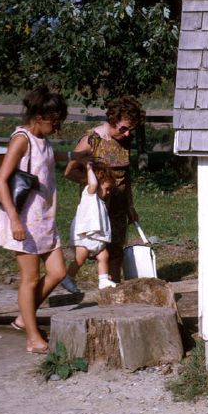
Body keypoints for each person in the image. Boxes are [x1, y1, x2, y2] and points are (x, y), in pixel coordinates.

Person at [0, 85, 89, 354]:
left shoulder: (42, 140)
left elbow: (46, 158)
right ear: (39, 118)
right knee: (31, 279)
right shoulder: (21, 139)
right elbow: (1, 180)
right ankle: (33, 338)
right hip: (23, 219)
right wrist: (14, 220)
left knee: (58, 272)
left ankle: (26, 316)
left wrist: (74, 156)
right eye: (55, 122)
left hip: (44, 218)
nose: (57, 128)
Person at [65, 96, 144, 282]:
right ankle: (74, 279)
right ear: (112, 120)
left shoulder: (125, 141)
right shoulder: (91, 140)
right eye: (123, 128)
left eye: (130, 130)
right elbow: (69, 172)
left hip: (118, 205)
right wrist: (93, 184)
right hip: (96, 206)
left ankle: (114, 291)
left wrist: (130, 206)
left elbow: (127, 176)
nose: (126, 133)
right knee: (95, 250)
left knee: (116, 249)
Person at [60, 161, 118, 293]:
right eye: (107, 189)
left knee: (104, 256)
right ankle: (68, 277)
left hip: (96, 236)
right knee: (80, 258)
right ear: (97, 184)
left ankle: (103, 280)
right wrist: (89, 168)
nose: (108, 192)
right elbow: (93, 183)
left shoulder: (101, 201)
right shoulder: (89, 193)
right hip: (85, 235)